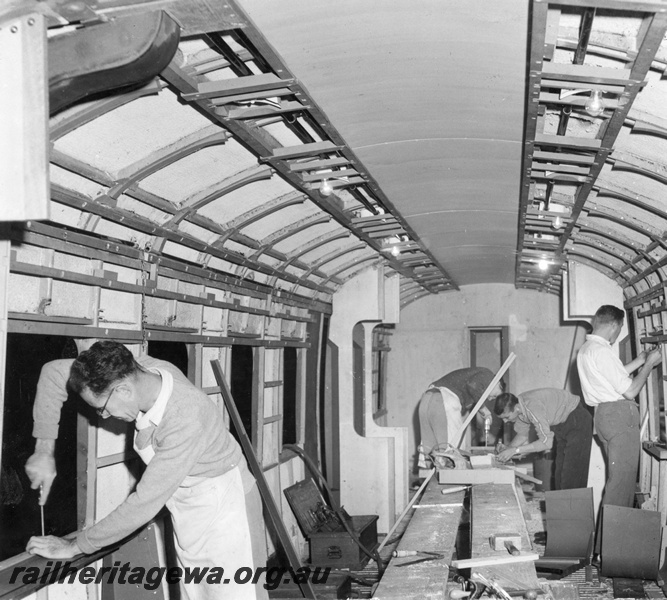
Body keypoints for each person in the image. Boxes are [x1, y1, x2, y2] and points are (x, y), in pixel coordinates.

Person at [24, 341, 268, 600]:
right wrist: (43, 450)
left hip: (227, 508)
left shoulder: (186, 417)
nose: (103, 416)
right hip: (191, 505)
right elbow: (53, 373)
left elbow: (143, 503)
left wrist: (75, 545)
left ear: (124, 389)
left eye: (102, 408)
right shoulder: (141, 370)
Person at [577, 305, 661, 511]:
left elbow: (612, 378)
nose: (618, 333)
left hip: (604, 417)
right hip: (620, 417)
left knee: (617, 483)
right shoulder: (602, 350)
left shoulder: (587, 349)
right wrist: (649, 364)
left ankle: (605, 542)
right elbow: (630, 390)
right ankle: (614, 543)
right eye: (620, 328)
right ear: (614, 325)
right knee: (621, 487)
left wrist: (639, 361)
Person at [494, 388, 593, 490]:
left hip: (576, 419)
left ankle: (573, 505)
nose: (505, 422)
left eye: (507, 417)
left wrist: (515, 450)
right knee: (559, 474)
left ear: (516, 408)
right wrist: (508, 449)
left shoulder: (532, 407)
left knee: (572, 476)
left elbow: (546, 443)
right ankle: (562, 505)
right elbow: (522, 434)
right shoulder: (519, 408)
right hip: (561, 424)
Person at [417, 367, 503, 467]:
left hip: (427, 399)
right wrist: (483, 408)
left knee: (429, 449)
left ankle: (430, 478)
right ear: (499, 384)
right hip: (444, 399)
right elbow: (472, 386)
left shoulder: (474, 379)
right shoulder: (488, 375)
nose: (490, 398)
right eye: (495, 396)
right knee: (453, 450)